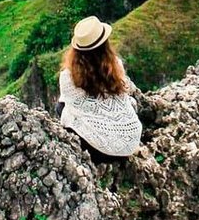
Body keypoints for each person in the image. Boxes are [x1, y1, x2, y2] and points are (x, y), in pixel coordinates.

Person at [56, 15, 142, 163]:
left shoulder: (68, 77)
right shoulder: (115, 64)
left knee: (61, 107)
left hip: (98, 152)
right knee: (127, 102)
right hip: (128, 143)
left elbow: (68, 107)